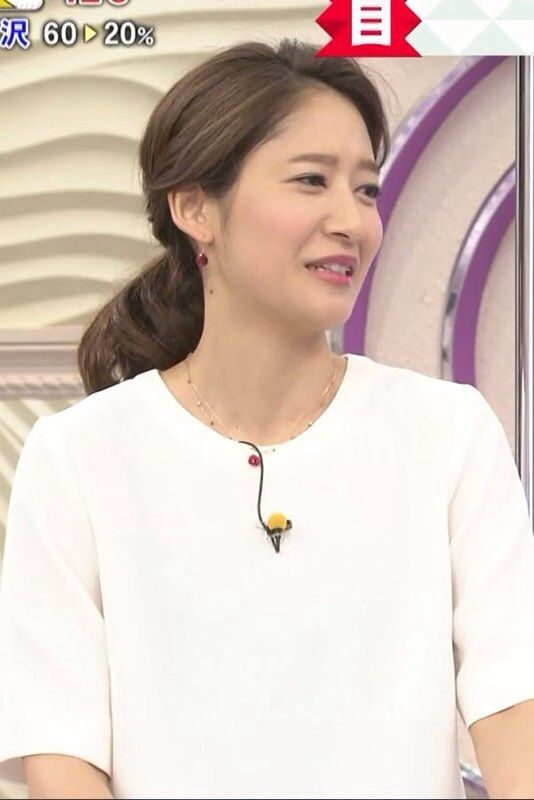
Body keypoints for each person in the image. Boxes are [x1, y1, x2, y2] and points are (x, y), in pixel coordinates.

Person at [1, 37, 534, 800]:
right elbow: (62, 759)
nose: (351, 220)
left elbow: (516, 707)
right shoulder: (78, 456)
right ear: (194, 209)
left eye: (366, 190)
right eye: (312, 180)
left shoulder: (449, 433)